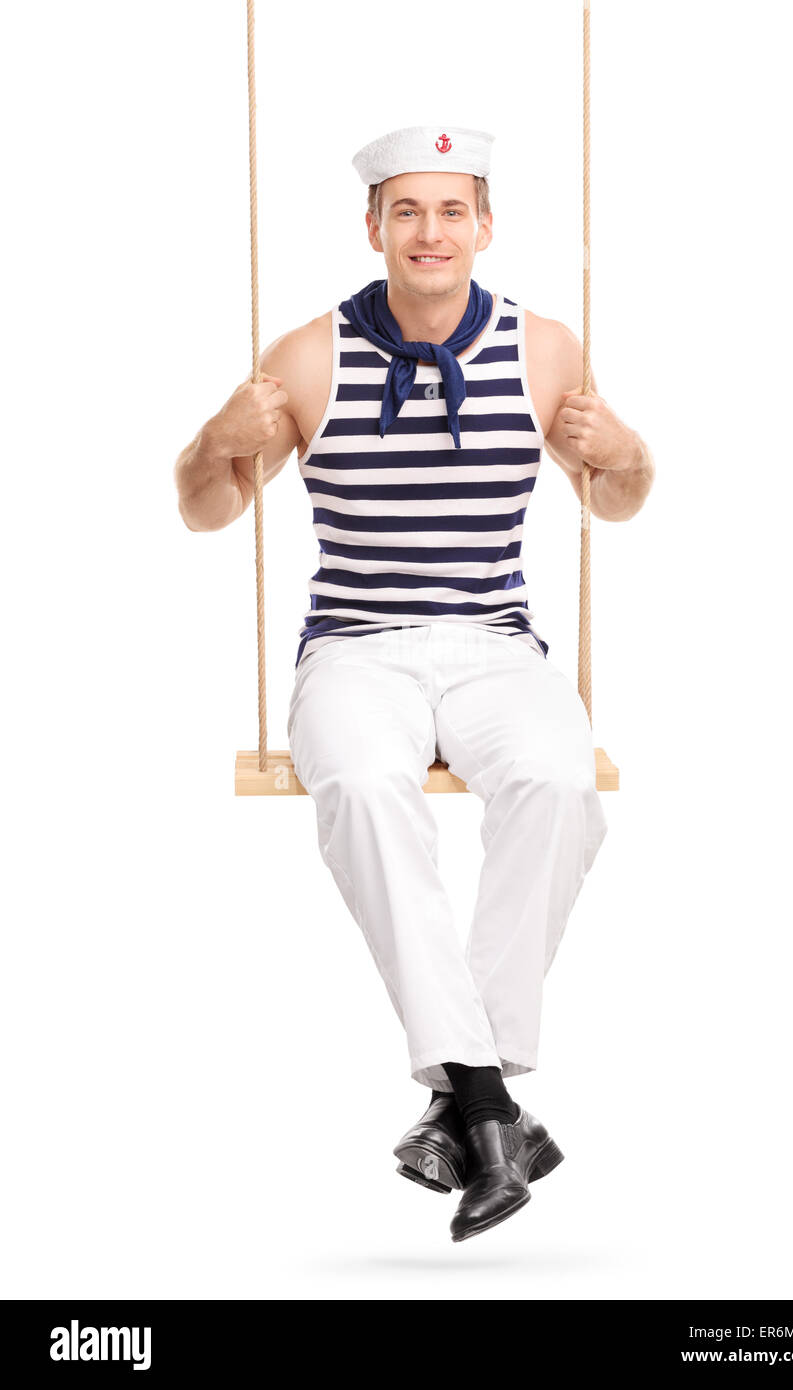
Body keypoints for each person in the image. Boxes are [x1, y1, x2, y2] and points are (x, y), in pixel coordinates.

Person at [174, 124, 654, 1242]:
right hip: (353, 645)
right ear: (373, 227)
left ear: (482, 226)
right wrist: (216, 437)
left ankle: (460, 1100)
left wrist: (625, 450)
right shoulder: (306, 355)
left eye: (451, 211)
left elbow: (615, 500)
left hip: (494, 641)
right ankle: (490, 1103)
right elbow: (206, 509)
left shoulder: (542, 349)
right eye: (407, 211)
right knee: (358, 785)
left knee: (556, 781)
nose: (429, 231)